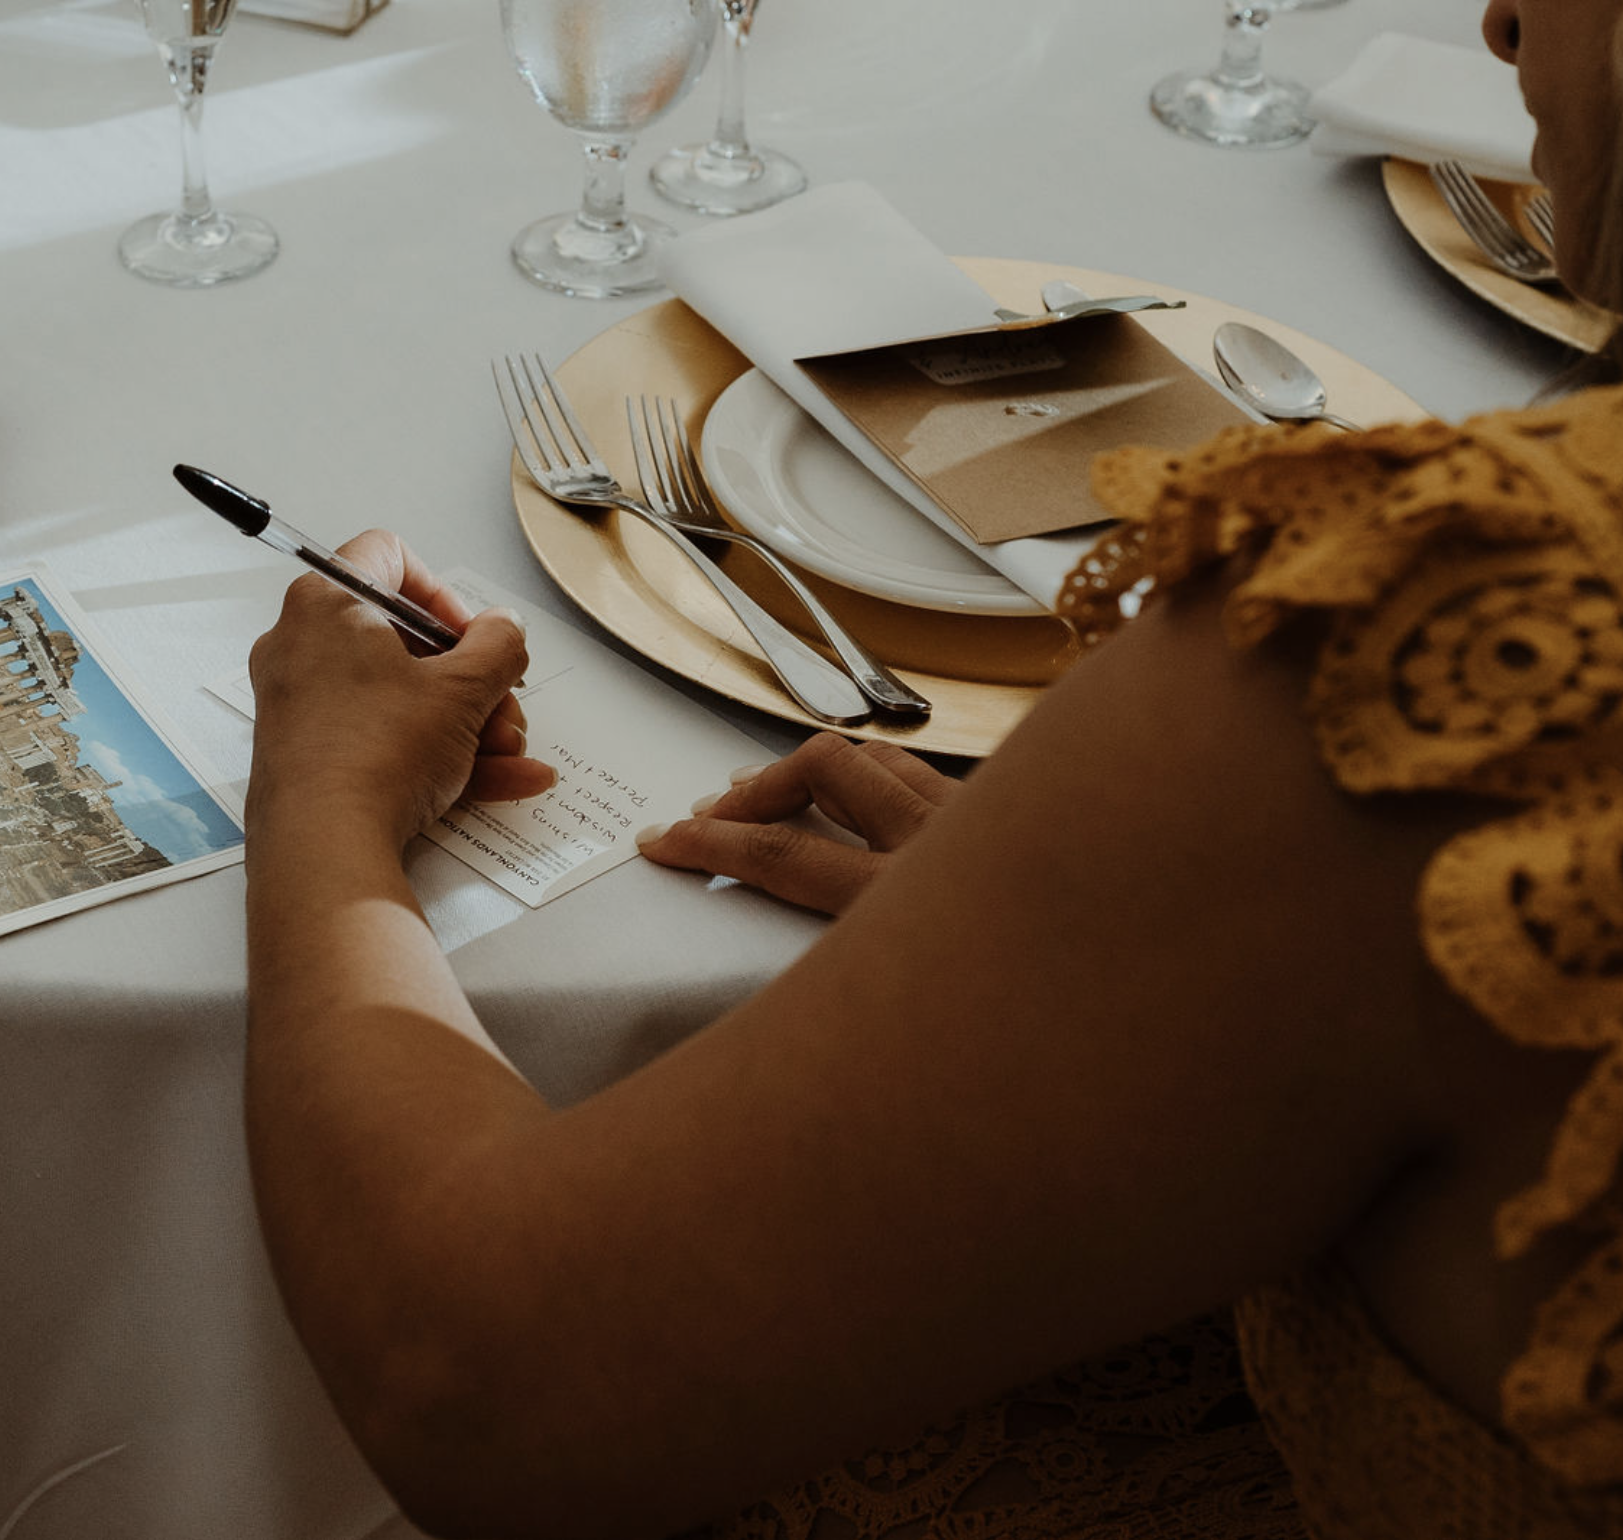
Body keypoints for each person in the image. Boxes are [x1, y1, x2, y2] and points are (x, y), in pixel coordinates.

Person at [236, 1, 1623, 1534]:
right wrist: (1142, 937)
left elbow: (474, 1379)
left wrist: (321, 805)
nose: (1497, 24)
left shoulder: (1466, 642)